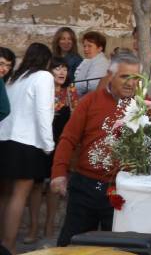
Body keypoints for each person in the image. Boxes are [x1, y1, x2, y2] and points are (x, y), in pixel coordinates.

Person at [50, 52, 141, 246]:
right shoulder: (90, 102)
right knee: (71, 245)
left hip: (125, 189)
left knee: (118, 248)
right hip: (86, 186)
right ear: (110, 74)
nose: (131, 83)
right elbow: (68, 139)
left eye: (136, 78)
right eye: (125, 76)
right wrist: (58, 172)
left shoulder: (144, 106)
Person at [0, 43, 54, 254]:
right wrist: (48, 145)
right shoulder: (43, 77)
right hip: (27, 142)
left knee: (4, 194)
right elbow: (43, 113)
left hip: (4, 140)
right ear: (46, 61)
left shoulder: (14, 78)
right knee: (19, 195)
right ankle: (9, 245)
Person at [25, 57, 79, 243]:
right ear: (49, 71)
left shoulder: (70, 91)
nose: (62, 72)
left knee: (55, 186)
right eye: (57, 68)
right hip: (39, 144)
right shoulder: (41, 88)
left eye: (64, 68)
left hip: (61, 145)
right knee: (36, 185)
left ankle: (49, 226)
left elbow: (76, 116)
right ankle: (33, 228)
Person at [131, 26, 151, 103]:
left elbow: (147, 83)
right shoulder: (139, 55)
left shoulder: (148, 58)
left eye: (138, 39)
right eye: (134, 38)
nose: (134, 41)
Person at [73, 31, 109, 96]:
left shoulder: (101, 62)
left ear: (99, 48)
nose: (86, 49)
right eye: (84, 46)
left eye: (90, 46)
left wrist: (76, 86)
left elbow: (93, 85)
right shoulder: (88, 61)